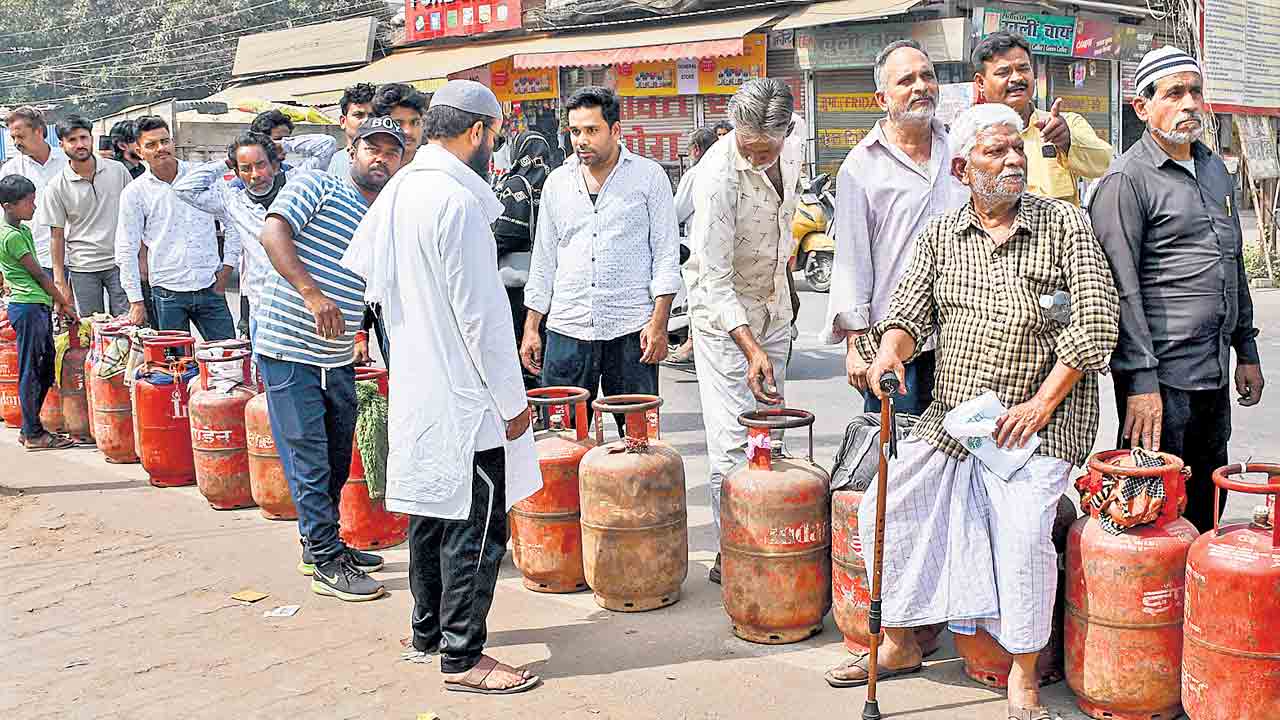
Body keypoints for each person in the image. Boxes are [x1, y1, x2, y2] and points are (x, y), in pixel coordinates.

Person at [828, 104, 1118, 720]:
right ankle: (901, 641)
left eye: (1018, 150)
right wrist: (889, 356)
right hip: (956, 420)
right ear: (963, 168)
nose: (1014, 160)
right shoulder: (941, 236)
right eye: (996, 152)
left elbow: (1095, 323)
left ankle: (1022, 673)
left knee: (1022, 537)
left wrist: (1041, 406)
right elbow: (909, 315)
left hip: (1037, 425)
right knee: (885, 509)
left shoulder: (1064, 224)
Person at [342, 80, 542, 695]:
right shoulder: (453, 204)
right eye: (494, 135)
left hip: (420, 385)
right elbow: (482, 319)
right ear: (479, 133)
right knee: (477, 526)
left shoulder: (402, 189)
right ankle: (464, 655)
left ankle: (427, 631)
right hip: (465, 396)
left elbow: (368, 286)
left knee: (431, 512)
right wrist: (512, 404)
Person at [1089, 47, 1264, 532]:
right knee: (1154, 510)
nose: (1189, 103)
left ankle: (1200, 600)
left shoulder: (1214, 170)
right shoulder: (1126, 180)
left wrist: (1245, 348)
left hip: (1213, 368)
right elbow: (1120, 289)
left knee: (1210, 498)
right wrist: (1140, 381)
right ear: (1142, 107)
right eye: (1174, 94)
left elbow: (1233, 265)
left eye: (1195, 92)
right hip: (1161, 376)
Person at [255, 116, 405, 601]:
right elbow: (273, 235)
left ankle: (320, 542)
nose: (381, 158)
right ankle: (324, 560)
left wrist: (360, 331)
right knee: (309, 456)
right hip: (288, 345)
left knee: (340, 452)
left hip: (338, 353)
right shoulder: (317, 185)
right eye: (372, 149)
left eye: (392, 151)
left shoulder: (383, 215)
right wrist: (312, 294)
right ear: (353, 150)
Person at [685, 79, 805, 584]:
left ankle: (772, 540)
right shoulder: (715, 176)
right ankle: (732, 553)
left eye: (766, 150)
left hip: (774, 311)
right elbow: (711, 277)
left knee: (771, 437)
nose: (757, 159)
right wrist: (750, 348)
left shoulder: (795, 149)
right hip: (724, 324)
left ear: (786, 133)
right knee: (733, 443)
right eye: (748, 149)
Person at [823, 40, 969, 415]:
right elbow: (852, 260)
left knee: (961, 455)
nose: (921, 86)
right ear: (881, 98)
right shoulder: (860, 167)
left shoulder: (961, 149)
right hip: (894, 341)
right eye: (906, 80)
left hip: (963, 338)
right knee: (898, 455)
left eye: (927, 76)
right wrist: (856, 344)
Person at [521, 86, 681, 420]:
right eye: (575, 131)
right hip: (567, 329)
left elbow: (666, 255)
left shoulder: (648, 177)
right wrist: (532, 327)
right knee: (563, 438)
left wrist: (659, 324)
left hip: (631, 331)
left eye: (592, 130)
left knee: (639, 444)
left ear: (615, 130)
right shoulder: (556, 183)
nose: (581, 140)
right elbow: (544, 259)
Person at [172, 129, 337, 341]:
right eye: (246, 169)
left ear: (274, 165)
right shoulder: (233, 201)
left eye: (260, 165)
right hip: (263, 305)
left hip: (307, 299)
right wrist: (226, 163)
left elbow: (326, 144)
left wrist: (282, 145)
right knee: (265, 370)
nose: (255, 175)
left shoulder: (298, 183)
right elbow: (184, 189)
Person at [114, 116, 237, 338]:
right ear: (139, 151)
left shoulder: (202, 177)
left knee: (228, 363)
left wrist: (227, 268)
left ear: (172, 142)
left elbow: (232, 222)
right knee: (174, 366)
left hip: (210, 286)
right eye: (151, 145)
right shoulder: (134, 193)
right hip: (166, 293)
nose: (161, 149)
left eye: (164, 141)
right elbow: (126, 248)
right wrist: (136, 300)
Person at [973, 31, 1113, 206]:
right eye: (1004, 72)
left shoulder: (1066, 124)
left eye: (1023, 68)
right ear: (980, 82)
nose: (1017, 78)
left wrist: (1067, 142)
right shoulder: (970, 136)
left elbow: (1106, 164)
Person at [0, 175, 77, 451]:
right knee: (32, 370)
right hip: (28, 306)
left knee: (44, 368)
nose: (33, 207)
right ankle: (32, 431)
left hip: (36, 303)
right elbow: (40, 276)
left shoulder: (22, 230)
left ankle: (31, 427)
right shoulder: (10, 237)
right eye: (28, 202)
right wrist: (63, 301)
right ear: (9, 206)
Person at [43, 115, 133, 317]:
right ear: (62, 144)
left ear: (91, 139)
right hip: (83, 267)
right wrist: (59, 281)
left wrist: (141, 258)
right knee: (91, 328)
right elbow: (56, 236)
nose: (80, 144)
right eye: (72, 140)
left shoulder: (118, 171)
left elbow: (136, 218)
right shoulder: (56, 186)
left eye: (84, 138)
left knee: (129, 325)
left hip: (120, 262)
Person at [493, 130, 556, 386]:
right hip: (548, 280)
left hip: (516, 282)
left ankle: (529, 399)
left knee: (521, 341)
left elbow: (509, 233)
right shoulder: (555, 183)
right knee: (542, 341)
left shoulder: (516, 184)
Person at [663, 127, 720, 369]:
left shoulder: (696, 174)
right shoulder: (725, 169)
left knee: (697, 299)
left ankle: (690, 345)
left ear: (696, 150)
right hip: (725, 249)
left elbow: (676, 212)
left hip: (701, 250)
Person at [2, 106, 68, 278]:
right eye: (13, 138)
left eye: (21, 136)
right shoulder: (11, 171)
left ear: (38, 131)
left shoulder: (68, 162)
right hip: (35, 260)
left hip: (77, 257)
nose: (16, 142)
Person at [327, 83, 377, 178]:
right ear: (343, 121)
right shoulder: (332, 161)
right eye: (358, 115)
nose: (366, 121)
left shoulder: (385, 160)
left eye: (372, 116)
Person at [372, 83, 427, 166]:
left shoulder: (434, 167)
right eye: (398, 123)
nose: (408, 131)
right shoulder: (370, 171)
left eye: (415, 123)